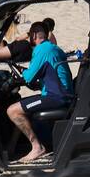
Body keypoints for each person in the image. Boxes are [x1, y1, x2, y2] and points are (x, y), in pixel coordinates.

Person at [6, 21, 74, 163]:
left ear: (34, 35)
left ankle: (37, 147)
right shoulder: (53, 48)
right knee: (24, 105)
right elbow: (45, 75)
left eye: (30, 35)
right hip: (61, 94)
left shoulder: (41, 50)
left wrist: (19, 74)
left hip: (55, 97)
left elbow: (29, 77)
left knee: (13, 110)